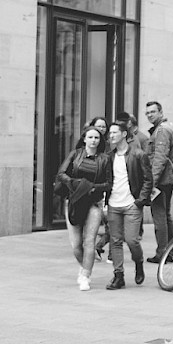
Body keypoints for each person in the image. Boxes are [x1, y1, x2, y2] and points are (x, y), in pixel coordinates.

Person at [56, 124, 112, 291]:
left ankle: (85, 275)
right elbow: (61, 173)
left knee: (89, 241)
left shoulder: (105, 158)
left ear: (100, 140)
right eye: (90, 137)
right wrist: (74, 184)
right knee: (76, 245)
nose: (93, 140)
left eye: (96, 137)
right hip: (74, 201)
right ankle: (85, 266)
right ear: (84, 139)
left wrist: (93, 187)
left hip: (94, 203)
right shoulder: (76, 154)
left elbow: (109, 183)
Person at [103, 119, 152, 288]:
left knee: (132, 240)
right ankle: (119, 276)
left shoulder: (138, 154)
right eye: (110, 133)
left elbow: (148, 179)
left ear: (124, 134)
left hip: (131, 204)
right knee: (115, 241)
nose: (111, 136)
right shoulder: (109, 156)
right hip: (113, 204)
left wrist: (139, 201)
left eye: (114, 132)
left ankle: (138, 262)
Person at [144, 100, 173, 261]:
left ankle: (162, 253)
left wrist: (152, 182)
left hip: (161, 181)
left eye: (153, 112)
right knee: (165, 216)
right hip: (166, 179)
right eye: (147, 113)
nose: (150, 115)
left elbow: (159, 157)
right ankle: (170, 253)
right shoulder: (165, 128)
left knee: (160, 217)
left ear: (161, 112)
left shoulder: (162, 130)